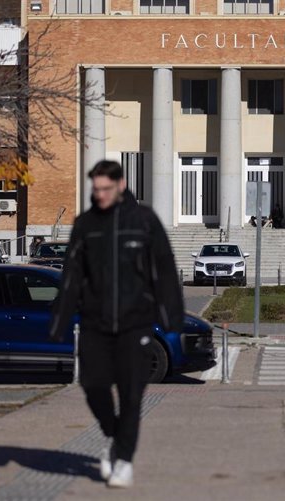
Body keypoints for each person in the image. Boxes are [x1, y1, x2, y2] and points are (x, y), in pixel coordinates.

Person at [49, 160, 183, 489]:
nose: (101, 195)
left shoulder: (144, 221)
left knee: (132, 394)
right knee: (93, 387)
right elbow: (71, 278)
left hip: (135, 324)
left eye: (106, 189)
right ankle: (114, 432)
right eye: (96, 190)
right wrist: (59, 320)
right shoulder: (86, 225)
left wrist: (172, 316)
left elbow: (165, 269)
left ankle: (122, 459)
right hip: (95, 323)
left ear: (120, 186)